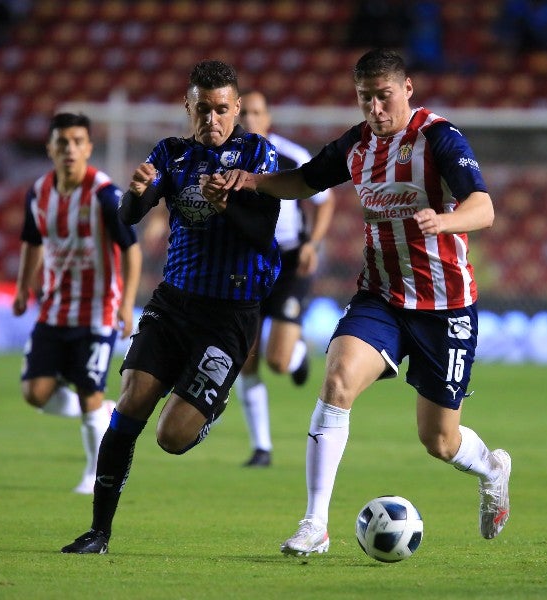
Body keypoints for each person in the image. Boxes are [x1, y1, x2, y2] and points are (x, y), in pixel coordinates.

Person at [204, 49, 512, 556]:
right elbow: (303, 181)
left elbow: (484, 207)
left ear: (407, 89)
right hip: (382, 297)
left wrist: (444, 220)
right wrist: (251, 182)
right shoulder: (357, 145)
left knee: (438, 440)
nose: (374, 108)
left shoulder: (439, 138)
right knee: (337, 380)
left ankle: (491, 467)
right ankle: (315, 525)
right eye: (365, 98)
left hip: (446, 305)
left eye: (383, 96)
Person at [60, 60, 281, 554]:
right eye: (203, 109)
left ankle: (207, 407)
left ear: (237, 108)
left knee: (171, 437)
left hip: (231, 314)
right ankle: (99, 532)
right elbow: (132, 216)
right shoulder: (171, 154)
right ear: (189, 107)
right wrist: (136, 196)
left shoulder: (258, 156)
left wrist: (227, 204)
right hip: (174, 303)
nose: (212, 119)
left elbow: (263, 231)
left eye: (222, 109)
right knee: (131, 400)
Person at [13, 112, 142, 494]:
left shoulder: (103, 193)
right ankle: (99, 411)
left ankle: (92, 474)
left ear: (88, 146)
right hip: (54, 308)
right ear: (50, 148)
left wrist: (125, 304)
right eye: (62, 142)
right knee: (34, 393)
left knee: (88, 390)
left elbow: (130, 249)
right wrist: (23, 288)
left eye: (77, 141)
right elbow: (32, 241)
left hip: (97, 309)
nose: (70, 148)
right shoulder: (38, 193)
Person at [235, 90, 335, 468]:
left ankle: (296, 356)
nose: (251, 119)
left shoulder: (291, 155)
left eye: (257, 112)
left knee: (276, 360)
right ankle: (261, 447)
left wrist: (315, 244)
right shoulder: (226, 159)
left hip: (290, 260)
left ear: (268, 117)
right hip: (245, 264)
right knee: (246, 358)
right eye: (245, 113)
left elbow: (325, 201)